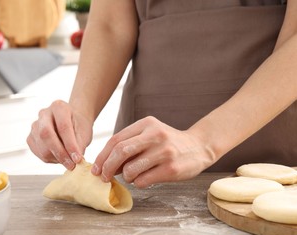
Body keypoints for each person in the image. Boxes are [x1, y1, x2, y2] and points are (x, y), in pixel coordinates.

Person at [27, 0, 297, 188]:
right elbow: (110, 24)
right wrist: (79, 113)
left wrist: (203, 141)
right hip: (144, 169)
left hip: (273, 157)